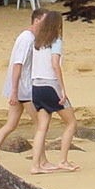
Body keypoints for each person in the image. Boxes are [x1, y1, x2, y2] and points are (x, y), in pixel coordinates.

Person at [0, 8, 52, 164]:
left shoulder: (31, 38)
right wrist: (15, 91)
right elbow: (18, 65)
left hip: (21, 88)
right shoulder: (27, 39)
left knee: (11, 124)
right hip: (25, 89)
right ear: (36, 21)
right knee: (39, 125)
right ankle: (42, 161)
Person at [30, 10, 78, 174]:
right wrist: (63, 89)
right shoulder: (56, 41)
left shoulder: (37, 42)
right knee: (71, 122)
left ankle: (36, 165)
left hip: (36, 86)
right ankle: (63, 160)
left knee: (42, 127)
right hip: (51, 86)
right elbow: (55, 64)